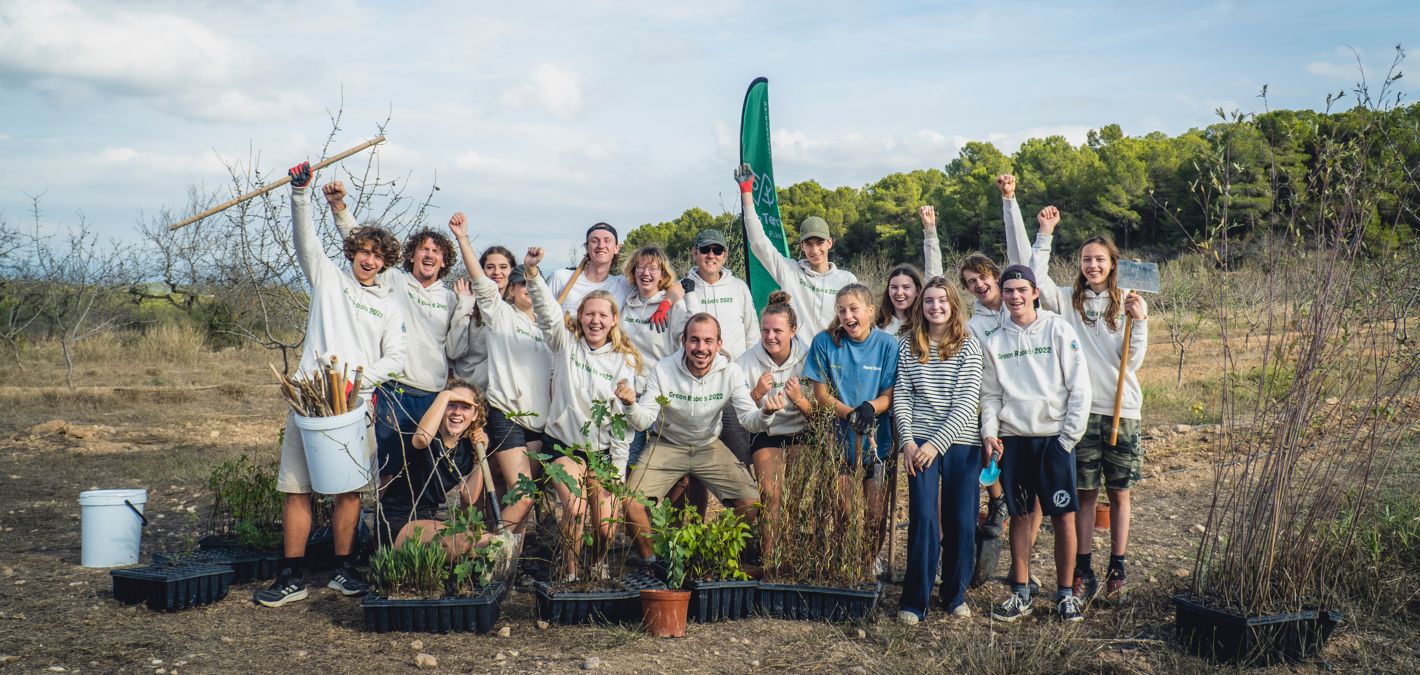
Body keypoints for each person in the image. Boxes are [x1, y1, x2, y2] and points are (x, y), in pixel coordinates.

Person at [256, 162, 407, 608]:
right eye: (363, 251)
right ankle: (291, 576)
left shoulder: (389, 306)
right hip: (309, 400)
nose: (369, 259)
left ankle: (344, 571)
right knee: (297, 486)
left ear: (385, 262)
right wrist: (300, 194)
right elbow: (307, 241)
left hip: (353, 405)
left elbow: (394, 358)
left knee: (349, 489)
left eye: (378, 255)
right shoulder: (328, 280)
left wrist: (359, 384)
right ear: (352, 252)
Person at [1030, 207, 1149, 603]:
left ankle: (1118, 563)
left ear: (1113, 263)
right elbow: (1037, 280)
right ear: (1079, 265)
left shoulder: (1127, 303)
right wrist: (1045, 233)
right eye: (1086, 260)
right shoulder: (1068, 301)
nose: (1093, 265)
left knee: (1118, 492)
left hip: (1121, 409)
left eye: (1100, 259)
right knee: (1084, 492)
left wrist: (1141, 321)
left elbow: (1131, 363)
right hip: (1080, 413)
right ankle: (1083, 566)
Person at [323, 181, 458, 491]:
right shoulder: (393, 280)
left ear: (443, 261)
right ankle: (384, 532)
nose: (429, 254)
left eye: (436, 251)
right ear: (411, 255)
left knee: (423, 471)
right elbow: (362, 244)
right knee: (388, 467)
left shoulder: (450, 299)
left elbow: (456, 348)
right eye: (424, 248)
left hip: (432, 393)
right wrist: (340, 209)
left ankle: (417, 533)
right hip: (394, 389)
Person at [980, 265, 1092, 623]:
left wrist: (1066, 440)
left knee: (1063, 517)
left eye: (1021, 290)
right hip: (1014, 441)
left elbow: (1080, 388)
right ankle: (1021, 591)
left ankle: (1064, 595)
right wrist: (989, 433)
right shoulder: (995, 340)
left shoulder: (1058, 329)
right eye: (1008, 290)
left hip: (1053, 442)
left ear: (1034, 292)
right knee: (1020, 517)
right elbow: (991, 396)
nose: (1015, 296)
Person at [524, 246, 643, 579]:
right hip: (565, 446)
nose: (596, 320)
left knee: (606, 527)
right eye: (589, 314)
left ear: (614, 319)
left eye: (603, 315)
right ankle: (571, 573)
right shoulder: (565, 345)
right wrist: (533, 275)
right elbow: (548, 312)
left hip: (603, 452)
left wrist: (617, 470)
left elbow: (623, 427)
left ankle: (600, 562)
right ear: (579, 317)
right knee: (574, 510)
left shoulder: (624, 361)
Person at [622, 313, 778, 562]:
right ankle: (652, 564)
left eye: (708, 341)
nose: (701, 348)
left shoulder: (730, 372)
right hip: (667, 444)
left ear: (719, 344)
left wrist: (766, 412)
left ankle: (717, 556)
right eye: (694, 340)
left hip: (708, 445)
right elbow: (644, 419)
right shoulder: (663, 370)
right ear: (683, 341)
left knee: (750, 503)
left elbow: (749, 420)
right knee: (631, 503)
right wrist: (630, 405)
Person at [448, 212, 548, 532]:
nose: (527, 290)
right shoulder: (501, 314)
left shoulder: (549, 326)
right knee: (520, 495)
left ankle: (509, 559)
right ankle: (488, 547)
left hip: (539, 420)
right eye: (522, 284)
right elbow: (482, 283)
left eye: (533, 284)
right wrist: (463, 238)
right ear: (513, 289)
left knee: (516, 496)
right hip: (504, 412)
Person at [894, 277, 984, 624]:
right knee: (925, 519)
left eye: (942, 301)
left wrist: (936, 443)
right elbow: (902, 394)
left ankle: (954, 593)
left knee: (961, 520)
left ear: (953, 305)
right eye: (929, 301)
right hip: (918, 442)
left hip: (960, 442)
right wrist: (908, 441)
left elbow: (965, 405)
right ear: (921, 306)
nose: (935, 307)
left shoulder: (968, 347)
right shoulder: (908, 346)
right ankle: (915, 600)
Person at [803, 283, 898, 556]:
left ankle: (869, 561)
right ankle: (843, 559)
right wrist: (851, 414)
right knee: (841, 508)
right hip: (838, 441)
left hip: (876, 443)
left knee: (874, 511)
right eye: (841, 310)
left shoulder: (887, 344)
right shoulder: (825, 342)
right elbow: (820, 393)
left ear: (870, 311)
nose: (847, 316)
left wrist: (869, 408)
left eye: (854, 309)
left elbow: (889, 394)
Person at [738, 164, 857, 338]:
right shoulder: (790, 271)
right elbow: (758, 243)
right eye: (808, 244)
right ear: (801, 246)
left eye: (820, 243)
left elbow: (857, 321)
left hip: (834, 357)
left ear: (829, 243)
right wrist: (747, 193)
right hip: (798, 360)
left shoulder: (847, 279)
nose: (815, 250)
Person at [735, 291, 812, 530]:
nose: (770, 337)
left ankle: (788, 553)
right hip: (766, 433)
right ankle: (770, 562)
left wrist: (798, 399)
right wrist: (757, 393)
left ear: (793, 330)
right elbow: (743, 413)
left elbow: (819, 414)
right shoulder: (746, 361)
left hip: (801, 432)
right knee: (771, 496)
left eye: (777, 331)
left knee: (793, 499)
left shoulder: (809, 358)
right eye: (765, 330)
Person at [378, 380, 490, 540]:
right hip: (396, 519)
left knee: (484, 540)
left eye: (465, 407)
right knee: (467, 541)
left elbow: (469, 496)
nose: (457, 412)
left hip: (426, 519)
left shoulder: (465, 450)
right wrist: (445, 394)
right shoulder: (426, 433)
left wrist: (480, 457)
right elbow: (422, 439)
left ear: (475, 415)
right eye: (451, 404)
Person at [616, 245, 688, 468]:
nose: (646, 273)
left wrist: (667, 302)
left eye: (653, 268)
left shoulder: (674, 305)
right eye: (641, 267)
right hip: (631, 394)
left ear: (663, 274)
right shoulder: (626, 303)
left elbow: (686, 341)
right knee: (630, 461)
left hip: (661, 395)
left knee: (665, 465)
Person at [447, 244, 518, 392]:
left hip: (501, 392)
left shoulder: (517, 311)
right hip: (467, 386)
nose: (497, 272)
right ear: (481, 271)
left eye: (503, 267)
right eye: (490, 267)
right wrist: (465, 306)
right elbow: (454, 351)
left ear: (511, 271)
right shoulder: (468, 303)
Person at [548, 223, 634, 315]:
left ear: (616, 248)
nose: (601, 246)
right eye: (594, 241)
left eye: (607, 241)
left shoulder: (623, 285)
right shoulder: (561, 278)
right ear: (587, 248)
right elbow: (542, 316)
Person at [874, 263, 927, 336]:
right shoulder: (876, 325)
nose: (899, 293)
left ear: (917, 291)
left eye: (906, 287)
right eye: (894, 287)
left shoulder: (924, 324)